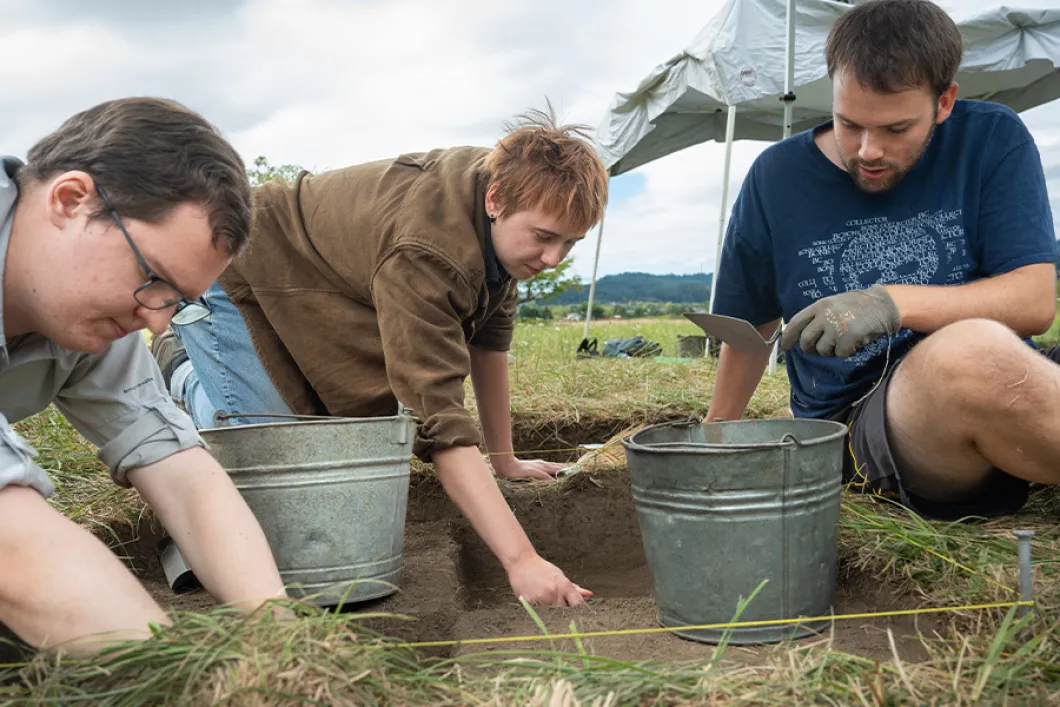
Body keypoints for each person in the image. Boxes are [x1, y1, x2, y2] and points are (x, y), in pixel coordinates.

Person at [153, 106, 609, 606]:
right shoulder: (430, 248)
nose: (552, 260)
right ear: (497, 200)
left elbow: (488, 344)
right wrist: (522, 562)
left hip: (315, 286)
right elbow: (437, 417)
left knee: (331, 441)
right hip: (241, 266)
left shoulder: (500, 216)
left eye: (570, 244)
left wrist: (503, 461)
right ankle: (183, 368)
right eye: (544, 237)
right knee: (272, 451)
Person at [707, 0, 1060, 521]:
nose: (868, 150)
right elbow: (748, 326)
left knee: (983, 355)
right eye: (849, 123)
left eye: (896, 130)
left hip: (1007, 383)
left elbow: (1033, 301)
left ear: (945, 102)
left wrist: (891, 303)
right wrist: (715, 434)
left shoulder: (991, 138)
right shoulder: (776, 178)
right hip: (865, 423)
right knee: (966, 353)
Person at [0, 98, 287, 656]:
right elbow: (12, 544)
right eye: (152, 277)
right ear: (70, 199)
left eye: (178, 302)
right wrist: (197, 683)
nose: (156, 322)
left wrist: (282, 642)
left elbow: (175, 465)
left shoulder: (84, 309)